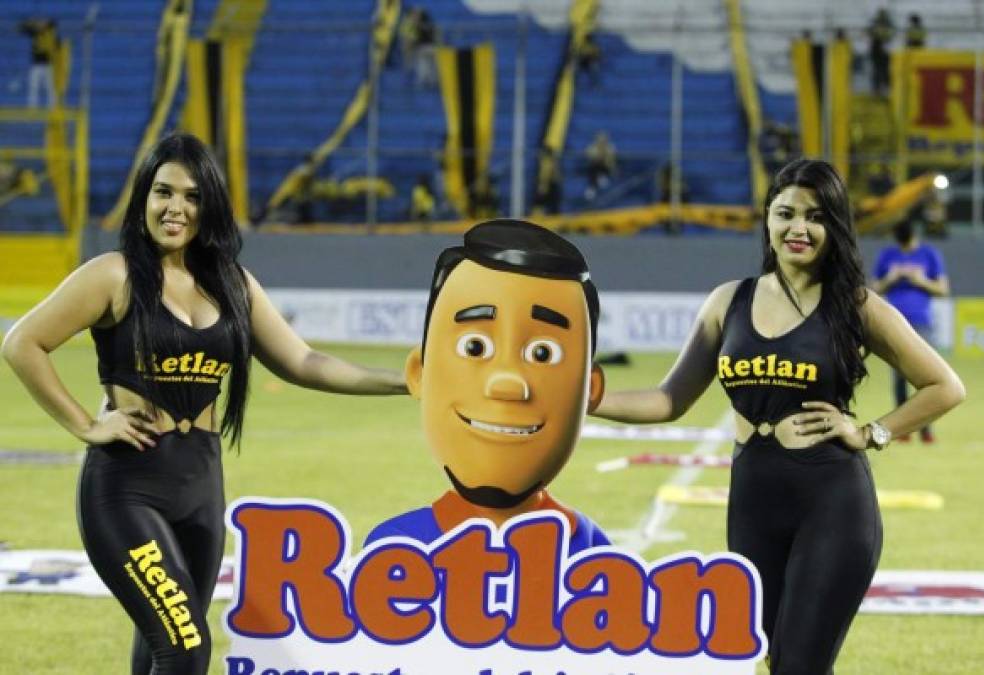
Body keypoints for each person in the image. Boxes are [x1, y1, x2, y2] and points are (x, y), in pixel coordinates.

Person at [0, 133, 407, 674]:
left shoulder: (234, 284)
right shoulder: (113, 274)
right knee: (186, 647)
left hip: (200, 489)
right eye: (163, 192)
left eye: (192, 196)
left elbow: (304, 362)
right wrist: (83, 425)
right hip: (127, 492)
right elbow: (22, 343)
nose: (175, 208)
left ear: (208, 204)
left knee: (160, 647)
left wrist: (404, 381)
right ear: (143, 197)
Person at [591, 159, 964, 674]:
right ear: (767, 218)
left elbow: (946, 386)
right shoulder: (729, 301)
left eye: (815, 216)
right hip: (753, 500)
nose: (799, 228)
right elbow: (668, 400)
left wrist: (869, 432)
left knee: (800, 666)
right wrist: (588, 397)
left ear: (834, 226)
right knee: (771, 658)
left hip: (832, 502)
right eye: (786, 213)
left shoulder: (856, 306)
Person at [365, 219, 609, 555]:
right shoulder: (397, 545)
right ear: (420, 371)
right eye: (475, 347)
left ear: (590, 390)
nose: (507, 384)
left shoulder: (588, 546)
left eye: (543, 353)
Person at [872, 218, 950, 443]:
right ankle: (901, 429)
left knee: (926, 378)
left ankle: (925, 428)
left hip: (921, 323)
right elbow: (874, 288)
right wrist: (891, 277)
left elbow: (943, 289)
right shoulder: (888, 256)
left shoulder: (929, 255)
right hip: (893, 324)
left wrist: (921, 280)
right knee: (899, 377)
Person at [19, 17, 59, 108]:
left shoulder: (51, 33)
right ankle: (32, 107)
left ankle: (52, 107)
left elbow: (54, 24)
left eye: (44, 22)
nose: (41, 23)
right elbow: (21, 28)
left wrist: (45, 24)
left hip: (48, 64)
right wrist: (32, 23)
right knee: (33, 86)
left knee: (50, 87)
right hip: (36, 64)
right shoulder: (36, 32)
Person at [868, 8, 895, 97]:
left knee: (882, 71)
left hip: (881, 51)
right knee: (879, 71)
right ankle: (878, 90)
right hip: (878, 50)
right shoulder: (884, 25)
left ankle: (882, 89)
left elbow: (872, 33)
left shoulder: (880, 24)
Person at [583, 130, 617, 201]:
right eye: (600, 140)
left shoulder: (610, 148)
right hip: (594, 167)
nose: (602, 142)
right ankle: (592, 187)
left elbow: (612, 160)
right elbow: (587, 155)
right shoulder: (592, 147)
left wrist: (604, 156)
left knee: (606, 164)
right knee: (593, 167)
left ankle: (603, 177)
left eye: (603, 140)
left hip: (606, 167)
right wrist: (597, 156)